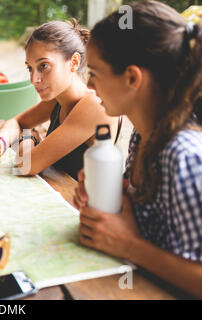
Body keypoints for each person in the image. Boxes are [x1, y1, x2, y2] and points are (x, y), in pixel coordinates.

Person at [73, 1, 202, 298]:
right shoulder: (143, 136)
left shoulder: (186, 156)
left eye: (94, 72)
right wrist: (110, 193)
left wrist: (127, 245)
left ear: (132, 77)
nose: (89, 85)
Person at [0, 19, 119, 180]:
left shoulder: (94, 106)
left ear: (74, 62)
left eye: (43, 66)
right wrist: (0, 143)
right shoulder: (59, 97)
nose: (33, 79)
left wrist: (28, 138)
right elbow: (17, 122)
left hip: (81, 203)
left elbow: (27, 165)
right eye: (30, 68)